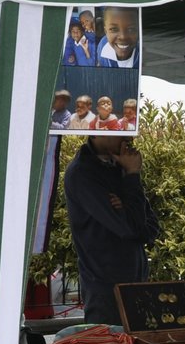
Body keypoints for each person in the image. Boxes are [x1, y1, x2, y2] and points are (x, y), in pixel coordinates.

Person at [63, 136, 159, 325]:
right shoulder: (83, 172)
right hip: (106, 290)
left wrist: (125, 207)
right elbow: (130, 228)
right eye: (121, 132)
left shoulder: (117, 166)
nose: (129, 138)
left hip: (135, 282)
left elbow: (151, 227)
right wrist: (132, 175)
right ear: (99, 131)